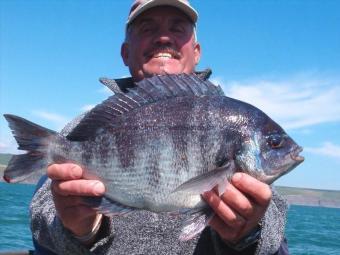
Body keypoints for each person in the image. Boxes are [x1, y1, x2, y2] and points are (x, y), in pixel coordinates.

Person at [31, 1, 290, 254]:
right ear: (125, 52)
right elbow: (41, 222)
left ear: (197, 51)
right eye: (147, 28)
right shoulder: (81, 131)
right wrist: (79, 231)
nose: (164, 38)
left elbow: (274, 239)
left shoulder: (231, 120)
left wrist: (248, 236)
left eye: (177, 28)